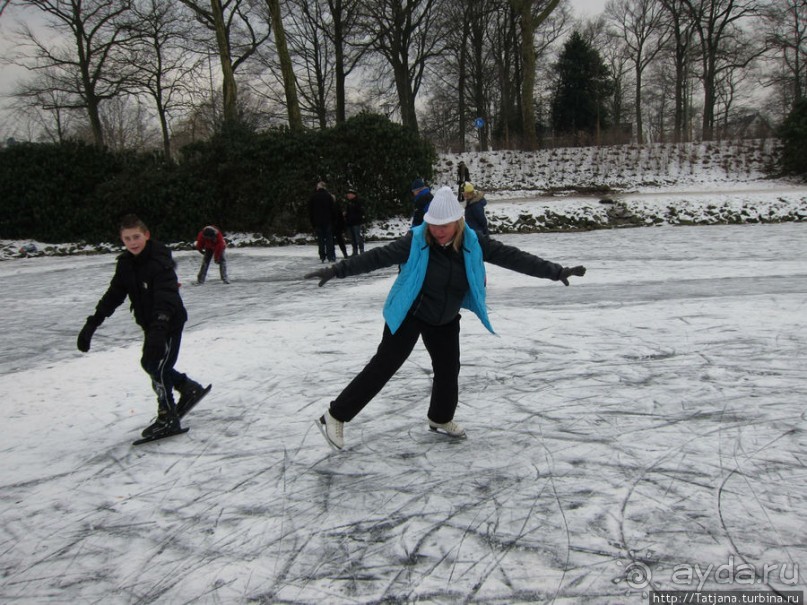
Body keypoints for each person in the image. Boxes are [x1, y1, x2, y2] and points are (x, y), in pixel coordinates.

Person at [304, 186, 587, 450]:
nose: (438, 231)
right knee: (384, 366)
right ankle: (335, 416)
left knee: (448, 370)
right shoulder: (416, 241)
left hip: (445, 315)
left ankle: (440, 417)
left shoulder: (474, 243)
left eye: (444, 225)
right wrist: (337, 270)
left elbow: (514, 257)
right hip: (411, 313)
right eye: (433, 225)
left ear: (457, 222)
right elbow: (376, 257)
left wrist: (556, 271)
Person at [76, 214, 206, 440]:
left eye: (136, 237)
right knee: (152, 364)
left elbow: (165, 298)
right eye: (127, 239)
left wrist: (159, 330)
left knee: (157, 366)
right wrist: (92, 323)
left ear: (146, 235)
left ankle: (168, 417)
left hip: (169, 323)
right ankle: (188, 387)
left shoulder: (159, 262)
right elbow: (113, 295)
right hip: (150, 325)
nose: (132, 242)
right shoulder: (126, 265)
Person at [309, 181, 336, 262]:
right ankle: (330, 256)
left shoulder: (313, 197)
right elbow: (332, 210)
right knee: (329, 239)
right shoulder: (329, 196)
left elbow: (311, 211)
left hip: (317, 222)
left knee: (320, 240)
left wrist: (313, 222)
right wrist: (333, 220)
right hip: (327, 221)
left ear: (318, 187)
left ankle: (322, 256)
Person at [344, 188, 365, 255]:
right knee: (352, 238)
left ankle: (361, 251)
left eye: (349, 194)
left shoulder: (358, 202)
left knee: (357, 237)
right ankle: (355, 251)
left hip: (356, 223)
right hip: (350, 223)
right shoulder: (349, 203)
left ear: (353, 195)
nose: (348, 195)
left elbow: (361, 212)